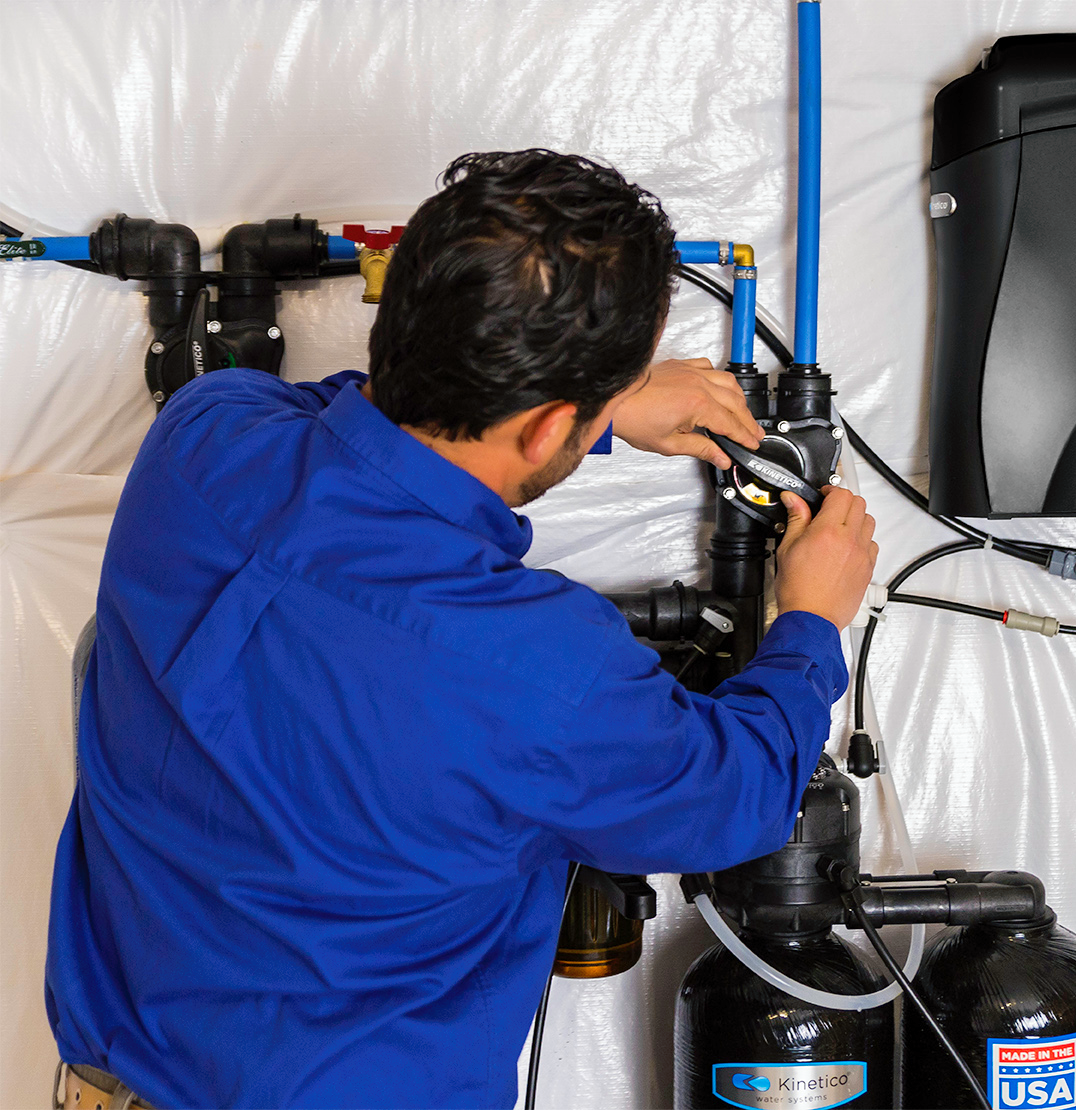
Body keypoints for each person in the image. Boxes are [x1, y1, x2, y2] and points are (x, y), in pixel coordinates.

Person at [45, 149, 877, 1109]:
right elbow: (735, 797)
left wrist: (592, 409)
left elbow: (347, 423)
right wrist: (809, 618)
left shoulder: (198, 441)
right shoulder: (542, 673)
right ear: (546, 426)